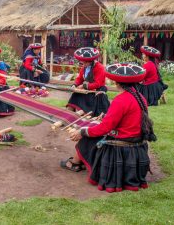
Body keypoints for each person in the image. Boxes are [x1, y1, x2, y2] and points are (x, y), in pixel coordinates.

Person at [62, 63, 156, 192]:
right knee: (92, 129)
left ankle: (75, 163)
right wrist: (106, 116)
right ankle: (79, 162)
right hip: (136, 141)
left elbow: (104, 129)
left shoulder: (121, 100)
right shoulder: (140, 97)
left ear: (117, 82)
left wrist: (83, 131)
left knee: (87, 136)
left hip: (123, 141)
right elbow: (127, 118)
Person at [66, 47, 110, 117]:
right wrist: (75, 84)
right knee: (75, 95)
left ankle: (83, 116)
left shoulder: (100, 68)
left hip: (96, 92)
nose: (83, 63)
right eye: (83, 61)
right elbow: (80, 78)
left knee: (86, 105)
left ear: (90, 61)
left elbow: (97, 84)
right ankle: (68, 115)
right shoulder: (85, 67)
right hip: (85, 90)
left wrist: (84, 86)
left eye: (85, 62)